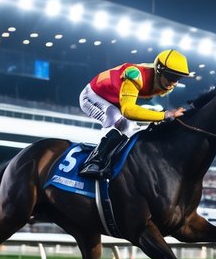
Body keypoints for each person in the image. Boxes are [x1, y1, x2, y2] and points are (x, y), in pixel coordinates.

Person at [78, 49, 190, 179]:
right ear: (159, 70)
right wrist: (163, 115)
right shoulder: (134, 74)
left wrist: (161, 115)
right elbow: (128, 111)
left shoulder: (164, 85)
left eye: (177, 78)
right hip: (92, 96)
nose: (173, 82)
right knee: (119, 121)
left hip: (114, 101)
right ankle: (93, 163)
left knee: (133, 129)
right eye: (170, 76)